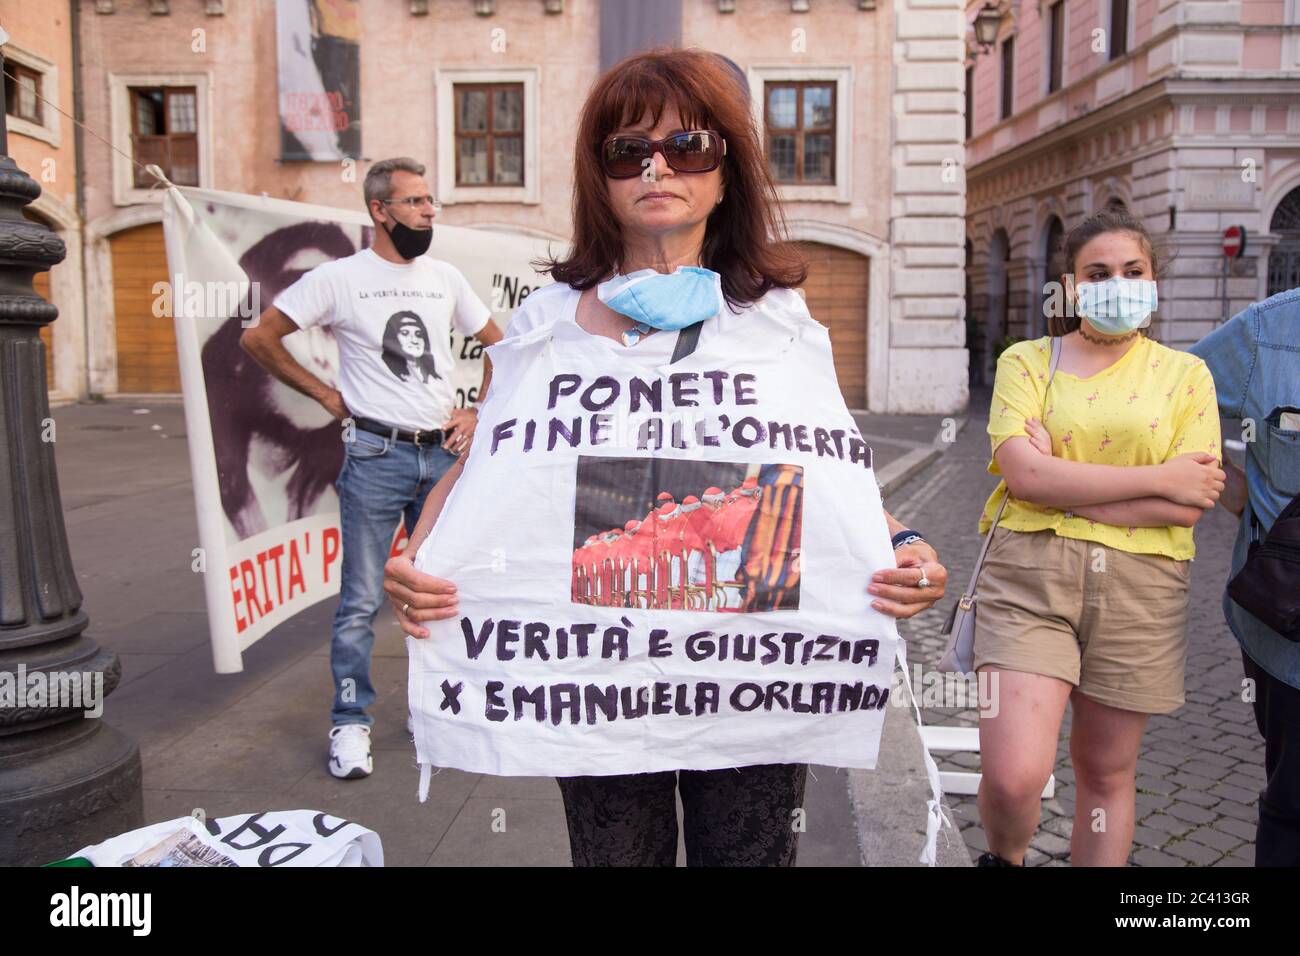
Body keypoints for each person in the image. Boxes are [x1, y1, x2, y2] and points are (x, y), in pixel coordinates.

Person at [383, 49, 948, 867]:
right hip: (594, 679)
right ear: (600, 176)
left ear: (727, 173)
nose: (657, 167)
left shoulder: (781, 328)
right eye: (627, 151)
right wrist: (419, 559)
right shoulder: (540, 328)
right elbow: (486, 471)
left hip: (750, 680)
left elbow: (823, 472)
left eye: (688, 147)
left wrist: (901, 546)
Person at [973, 207, 1227, 866]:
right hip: (1028, 578)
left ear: (1153, 278)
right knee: (1012, 777)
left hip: (1143, 591)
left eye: (1132, 270)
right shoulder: (1027, 362)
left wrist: (1065, 479)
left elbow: (1188, 505)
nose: (1117, 283)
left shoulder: (1186, 375)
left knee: (1106, 776)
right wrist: (1155, 478)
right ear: (1071, 286)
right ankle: (1005, 859)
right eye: (1098, 272)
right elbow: (1025, 478)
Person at [240, 156, 502, 779]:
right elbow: (259, 337)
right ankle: (351, 723)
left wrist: (478, 411)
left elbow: (500, 344)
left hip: (440, 454)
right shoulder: (339, 278)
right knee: (360, 600)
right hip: (375, 455)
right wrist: (326, 395)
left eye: (431, 201)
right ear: (378, 210)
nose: (428, 212)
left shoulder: (442, 276)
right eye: (414, 202)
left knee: (439, 591)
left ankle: (430, 708)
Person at [1189, 285, 1300, 866]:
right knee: (1293, 808)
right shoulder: (1268, 332)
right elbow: (1169, 398)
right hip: (1289, 640)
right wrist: (1241, 498)